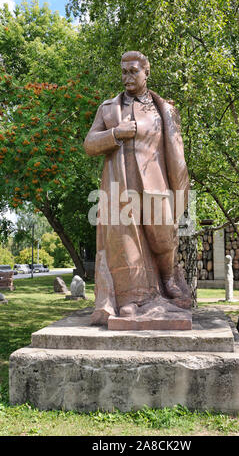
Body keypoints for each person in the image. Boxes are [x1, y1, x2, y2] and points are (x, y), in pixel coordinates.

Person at [84, 51, 190, 324]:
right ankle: (130, 300)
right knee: (125, 243)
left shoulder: (163, 109)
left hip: (156, 184)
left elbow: (176, 154)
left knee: (163, 236)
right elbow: (89, 144)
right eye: (124, 72)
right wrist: (115, 133)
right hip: (120, 187)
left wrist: (180, 192)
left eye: (133, 71)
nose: (127, 77)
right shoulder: (108, 109)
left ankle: (168, 278)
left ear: (146, 72)